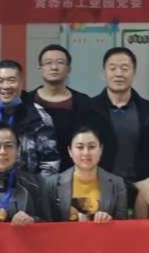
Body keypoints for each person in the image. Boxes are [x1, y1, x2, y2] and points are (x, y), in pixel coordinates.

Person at [30, 44, 116, 173]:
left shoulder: (84, 103)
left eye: (60, 62)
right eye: (48, 63)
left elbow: (100, 141)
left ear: (69, 68)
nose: (54, 67)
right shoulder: (27, 102)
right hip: (32, 178)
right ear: (40, 68)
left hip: (75, 176)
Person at [91, 47, 149, 185]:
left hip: (141, 186)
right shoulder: (89, 109)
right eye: (113, 68)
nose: (119, 74)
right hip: (100, 186)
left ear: (134, 73)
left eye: (124, 68)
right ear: (104, 73)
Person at [0, 60, 60, 178]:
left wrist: (35, 187)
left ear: (21, 82)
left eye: (11, 80)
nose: (5, 86)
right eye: (0, 81)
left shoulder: (39, 117)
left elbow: (50, 163)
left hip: (29, 187)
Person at [46, 125, 128, 223]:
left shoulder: (117, 183)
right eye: (80, 147)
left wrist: (110, 220)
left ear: (101, 149)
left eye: (92, 147)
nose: (86, 152)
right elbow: (46, 222)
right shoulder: (52, 184)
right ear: (70, 151)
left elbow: (122, 223)